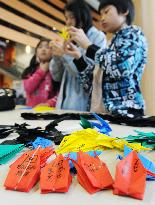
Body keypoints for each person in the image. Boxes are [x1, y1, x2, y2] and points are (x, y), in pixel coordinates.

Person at [65, 0, 148, 117]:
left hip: (126, 113)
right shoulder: (110, 45)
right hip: (101, 114)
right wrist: (78, 58)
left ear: (124, 11)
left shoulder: (134, 34)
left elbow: (122, 67)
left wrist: (88, 46)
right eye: (100, 14)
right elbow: (92, 86)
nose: (102, 18)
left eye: (106, 12)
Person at [49, 0, 106, 111]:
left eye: (72, 17)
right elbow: (57, 77)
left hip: (83, 107)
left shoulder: (97, 37)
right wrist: (56, 56)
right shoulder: (69, 40)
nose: (68, 22)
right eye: (66, 18)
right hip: (63, 106)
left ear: (82, 16)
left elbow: (89, 76)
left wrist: (64, 55)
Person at [22, 39, 59, 107]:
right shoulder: (30, 70)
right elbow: (28, 88)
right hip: (31, 111)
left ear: (53, 52)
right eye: (40, 47)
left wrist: (48, 104)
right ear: (36, 52)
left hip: (50, 112)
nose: (43, 49)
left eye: (47, 47)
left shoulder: (57, 71)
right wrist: (41, 71)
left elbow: (60, 94)